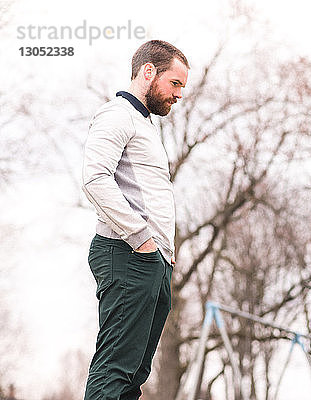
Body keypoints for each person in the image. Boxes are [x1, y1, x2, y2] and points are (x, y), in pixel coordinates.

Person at [82, 39, 189, 400]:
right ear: (148, 72)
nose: (178, 95)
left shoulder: (145, 125)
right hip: (128, 255)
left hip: (152, 262)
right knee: (115, 368)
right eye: (174, 83)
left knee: (132, 377)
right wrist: (142, 240)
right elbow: (95, 177)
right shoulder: (116, 115)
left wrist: (164, 254)